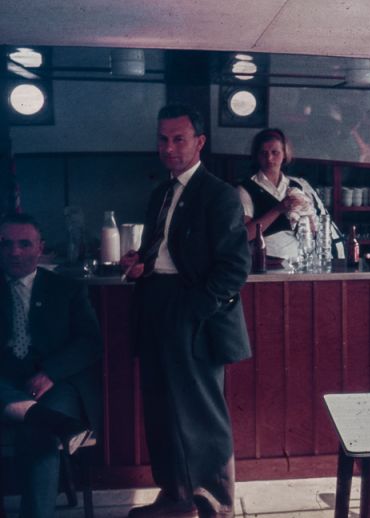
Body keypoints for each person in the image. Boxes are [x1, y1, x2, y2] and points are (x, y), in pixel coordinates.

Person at [121, 104, 251, 518]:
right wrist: (141, 262)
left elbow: (234, 267)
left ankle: (215, 505)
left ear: (200, 142)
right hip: (153, 303)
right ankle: (176, 496)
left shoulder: (219, 195)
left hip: (191, 311)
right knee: (161, 409)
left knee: (201, 414)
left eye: (179, 139)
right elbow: (162, 250)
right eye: (163, 139)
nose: (169, 148)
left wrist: (193, 312)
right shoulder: (161, 193)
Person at [0, 213, 100, 518]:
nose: (14, 252)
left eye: (24, 244)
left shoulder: (66, 288)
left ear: (40, 248)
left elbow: (90, 343)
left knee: (38, 433)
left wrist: (50, 374)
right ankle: (50, 420)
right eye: (5, 244)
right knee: (43, 421)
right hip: (3, 380)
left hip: (53, 383)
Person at [238, 128, 339, 259]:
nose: (269, 158)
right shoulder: (246, 189)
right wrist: (278, 209)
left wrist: (308, 220)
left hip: (299, 259)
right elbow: (244, 235)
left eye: (275, 152)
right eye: (263, 153)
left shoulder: (297, 185)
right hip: (267, 259)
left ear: (285, 154)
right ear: (257, 156)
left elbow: (312, 229)